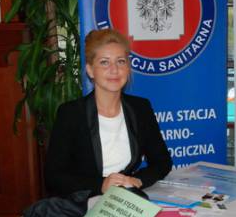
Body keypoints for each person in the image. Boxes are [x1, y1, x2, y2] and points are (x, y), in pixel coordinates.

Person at [45, 29, 172, 196]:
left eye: (121, 61)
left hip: (126, 199)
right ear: (90, 70)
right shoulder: (71, 113)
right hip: (84, 201)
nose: (114, 70)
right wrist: (100, 185)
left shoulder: (141, 108)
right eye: (104, 62)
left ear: (128, 68)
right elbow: (54, 176)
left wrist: (137, 180)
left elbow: (162, 162)